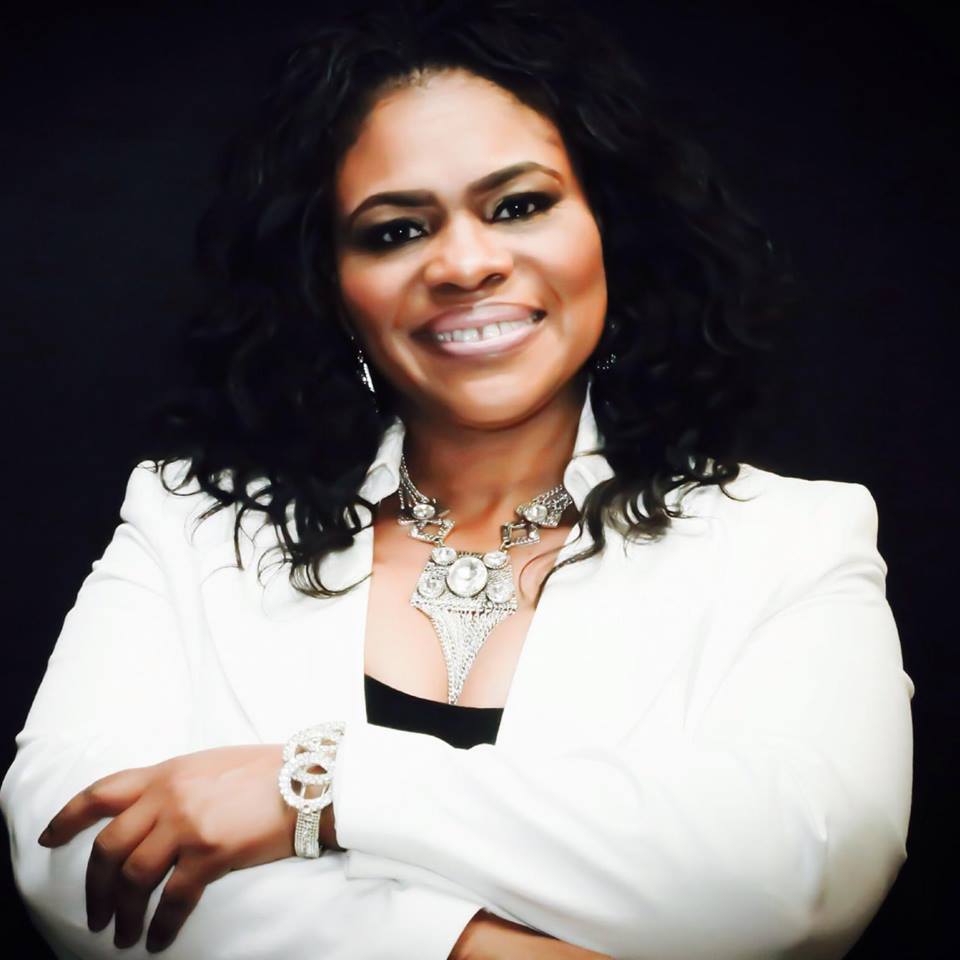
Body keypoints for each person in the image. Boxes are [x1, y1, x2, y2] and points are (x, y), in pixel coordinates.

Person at [1, 1, 914, 958]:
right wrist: (470, 949)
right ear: (331, 285)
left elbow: (804, 869)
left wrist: (319, 787)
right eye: (396, 230)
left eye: (518, 206)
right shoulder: (192, 523)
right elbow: (72, 844)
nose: (466, 264)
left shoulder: (790, 538)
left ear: (611, 230)